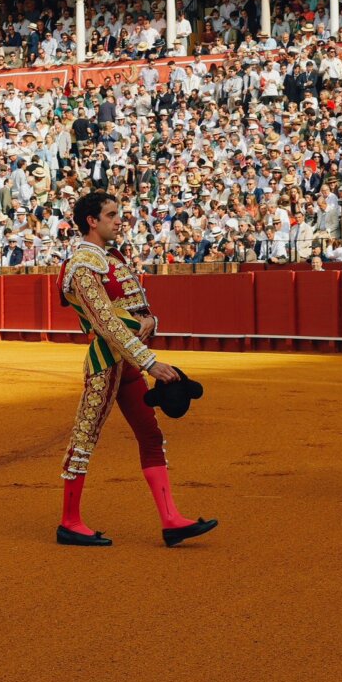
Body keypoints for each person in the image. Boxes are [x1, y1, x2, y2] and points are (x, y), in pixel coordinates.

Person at [55, 191, 217, 548]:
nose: (119, 219)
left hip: (127, 362)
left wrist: (150, 320)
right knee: (84, 438)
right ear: (91, 222)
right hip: (106, 363)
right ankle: (69, 521)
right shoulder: (82, 265)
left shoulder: (111, 257)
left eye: (119, 213)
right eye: (112, 214)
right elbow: (106, 323)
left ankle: (171, 520)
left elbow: (135, 309)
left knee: (150, 435)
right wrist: (149, 362)